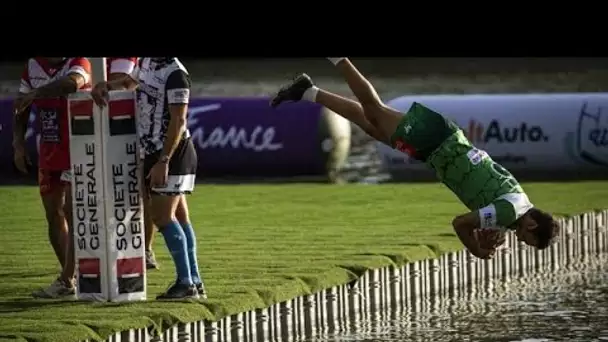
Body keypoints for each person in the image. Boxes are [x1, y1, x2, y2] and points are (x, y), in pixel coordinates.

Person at [270, 57, 560, 259]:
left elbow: (494, 213)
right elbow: (460, 223)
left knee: (371, 125)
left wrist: (489, 233)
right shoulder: (511, 213)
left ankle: (307, 91)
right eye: (529, 241)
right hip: (438, 142)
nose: (523, 242)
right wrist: (475, 248)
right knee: (374, 109)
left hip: (436, 149)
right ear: (532, 226)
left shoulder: (517, 208)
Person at [91, 57, 206, 300]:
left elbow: (179, 120)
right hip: (155, 151)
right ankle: (194, 280)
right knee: (180, 217)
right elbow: (131, 82)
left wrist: (163, 160)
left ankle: (186, 283)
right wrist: (107, 85)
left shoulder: (176, 74)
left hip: (172, 153)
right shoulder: (146, 62)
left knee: (161, 217)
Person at [13, 57, 92, 298]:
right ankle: (69, 277)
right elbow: (21, 106)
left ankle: (70, 277)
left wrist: (37, 93)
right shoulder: (33, 66)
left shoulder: (80, 61)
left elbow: (72, 83)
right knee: (53, 213)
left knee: (72, 211)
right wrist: (18, 144)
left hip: (79, 147)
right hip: (50, 148)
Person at [103, 57, 159, 270]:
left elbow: (122, 86)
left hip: (131, 131)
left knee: (141, 194)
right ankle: (111, 248)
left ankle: (145, 250)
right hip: (109, 130)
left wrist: (102, 85)